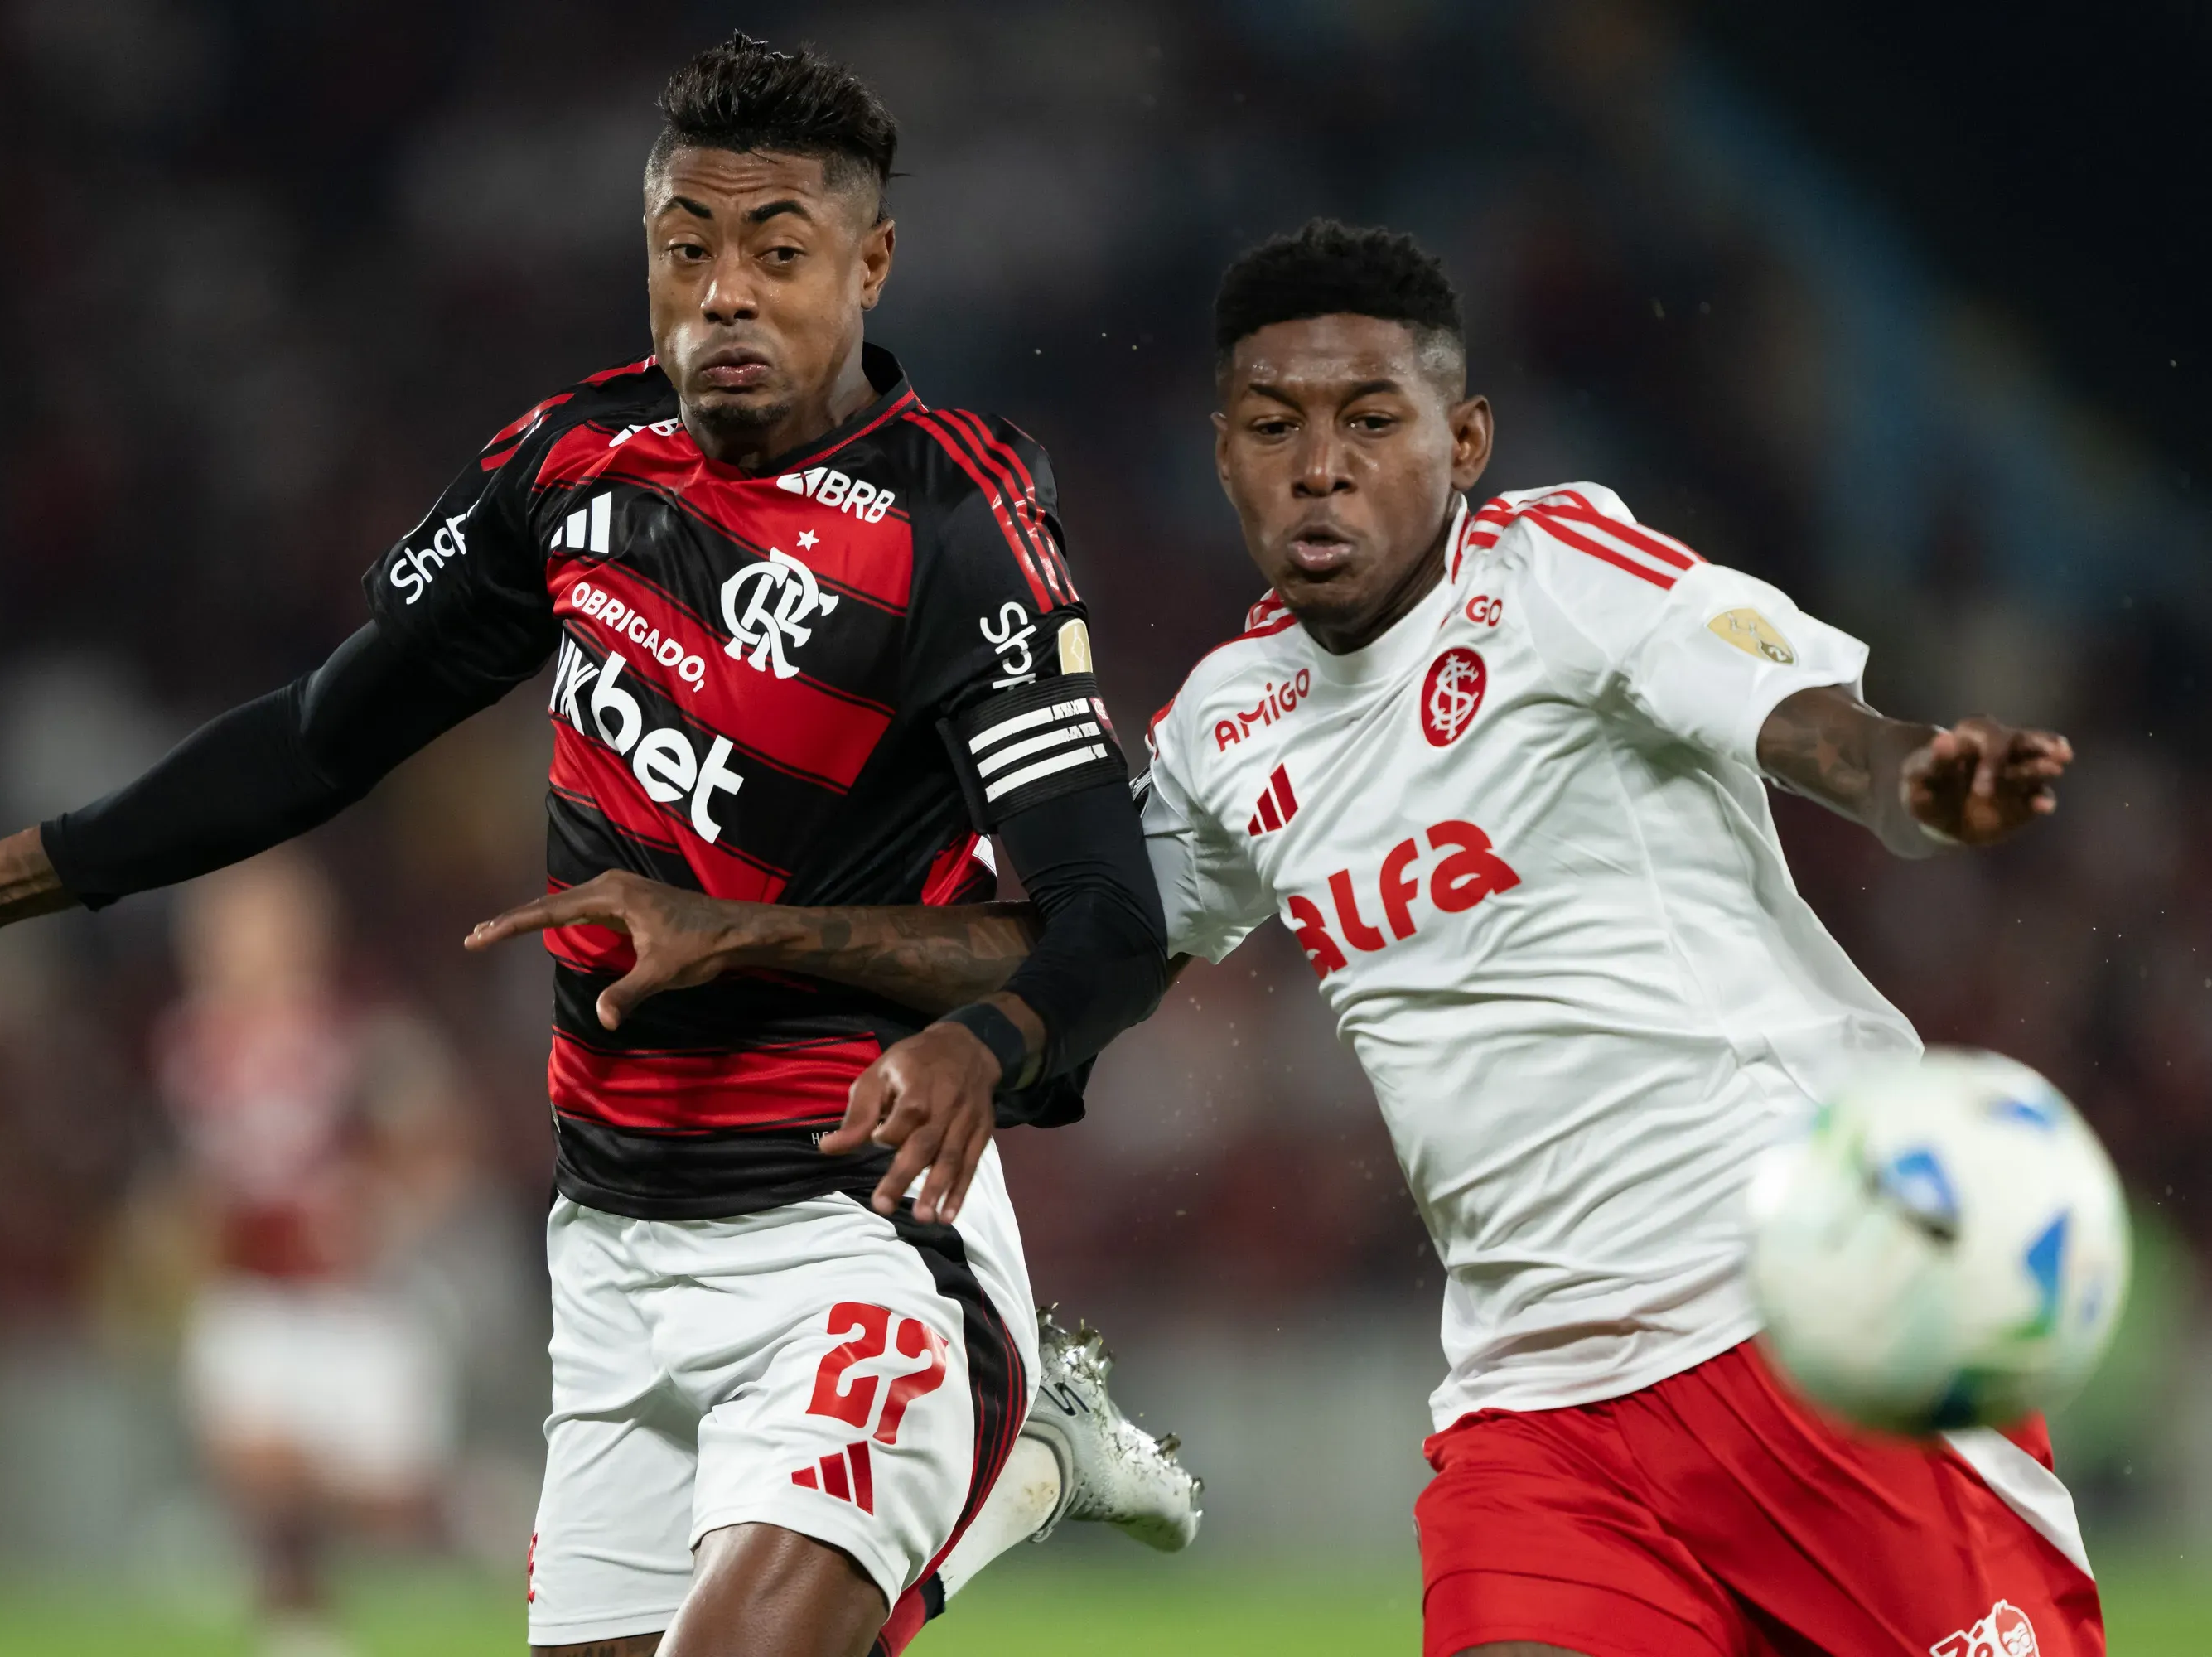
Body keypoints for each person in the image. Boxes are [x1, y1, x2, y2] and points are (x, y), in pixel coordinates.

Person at [0, 34, 1196, 1657]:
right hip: (613, 1261)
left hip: (854, 1250)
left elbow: (1105, 924)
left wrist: (983, 1040)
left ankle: (992, 1453)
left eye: (777, 253)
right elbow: (319, 736)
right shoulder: (575, 465)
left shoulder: (960, 532)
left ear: (869, 264)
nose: (722, 294)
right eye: (685, 249)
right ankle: (1015, 1489)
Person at [484, 219, 2098, 1657]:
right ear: (1226, 455)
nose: (1320, 464)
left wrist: (1915, 780)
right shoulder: (1231, 730)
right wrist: (756, 938)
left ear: (1464, 439)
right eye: (1275, 429)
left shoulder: (1559, 575)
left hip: (1811, 1319)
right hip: (1540, 1415)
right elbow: (1073, 951)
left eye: (1372, 422)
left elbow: (1811, 725)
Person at [157, 851, 473, 1657]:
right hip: (251, 1290)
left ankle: (470, 1510)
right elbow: (207, 1173)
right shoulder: (188, 1040)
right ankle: (298, 1630)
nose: (231, 942)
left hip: (350, 1300)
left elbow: (437, 1138)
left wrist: (384, 1213)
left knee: (386, 1505)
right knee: (257, 1468)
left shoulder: (358, 1028)